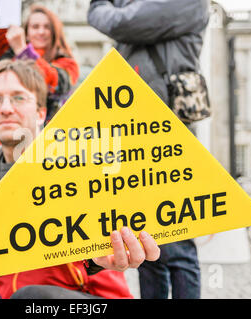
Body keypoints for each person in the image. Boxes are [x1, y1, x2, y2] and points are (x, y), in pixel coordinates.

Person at [0, 59, 160, 299]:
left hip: (91, 299)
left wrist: (97, 260)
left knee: (28, 297)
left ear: (41, 113)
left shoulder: (71, 167)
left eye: (18, 98)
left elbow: (99, 255)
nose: (5, 108)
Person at [88, 0, 209, 299]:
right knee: (144, 242)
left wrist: (98, 5)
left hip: (168, 134)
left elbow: (119, 22)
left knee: (178, 245)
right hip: (134, 133)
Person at [0, 4, 79, 124]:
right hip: (13, 128)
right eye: (35, 27)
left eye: (47, 27)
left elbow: (55, 83)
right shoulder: (11, 57)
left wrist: (23, 52)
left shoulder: (68, 63)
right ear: (26, 32)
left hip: (51, 133)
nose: (41, 32)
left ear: (55, 32)